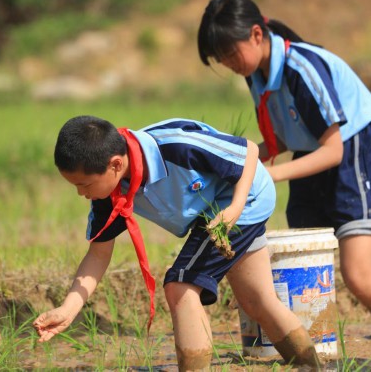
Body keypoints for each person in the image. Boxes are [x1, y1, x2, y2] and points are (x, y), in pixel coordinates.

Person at [33, 115, 321, 369]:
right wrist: (68, 310)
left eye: (84, 184)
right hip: (208, 210)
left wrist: (234, 208)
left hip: (244, 201)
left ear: (115, 164)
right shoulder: (108, 193)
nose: (81, 193)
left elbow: (249, 152)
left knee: (180, 285)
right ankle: (309, 364)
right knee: (258, 301)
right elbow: (97, 255)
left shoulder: (176, 147)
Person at [197, 0, 371, 339]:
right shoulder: (256, 74)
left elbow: (334, 148)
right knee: (302, 265)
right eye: (222, 59)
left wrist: (269, 175)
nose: (229, 64)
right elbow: (285, 139)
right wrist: (235, 165)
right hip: (309, 155)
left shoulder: (301, 68)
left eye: (231, 54)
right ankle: (316, 352)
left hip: (354, 153)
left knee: (358, 274)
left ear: (257, 35)